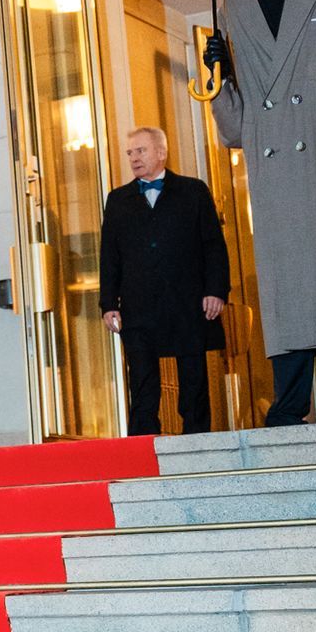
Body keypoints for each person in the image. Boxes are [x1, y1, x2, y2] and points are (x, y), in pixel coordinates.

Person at [210, 0, 316, 427]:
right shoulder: (234, 0)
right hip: (274, 177)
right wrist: (219, 74)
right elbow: (235, 131)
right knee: (288, 297)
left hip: (312, 149)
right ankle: (290, 405)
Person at [98, 125, 229, 436]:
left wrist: (216, 290)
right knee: (142, 381)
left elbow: (213, 244)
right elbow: (109, 256)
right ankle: (142, 443)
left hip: (187, 301)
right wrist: (108, 303)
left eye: (140, 150)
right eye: (130, 152)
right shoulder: (118, 200)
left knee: (192, 377)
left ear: (161, 152)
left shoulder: (193, 191)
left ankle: (197, 441)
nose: (133, 158)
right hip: (139, 305)